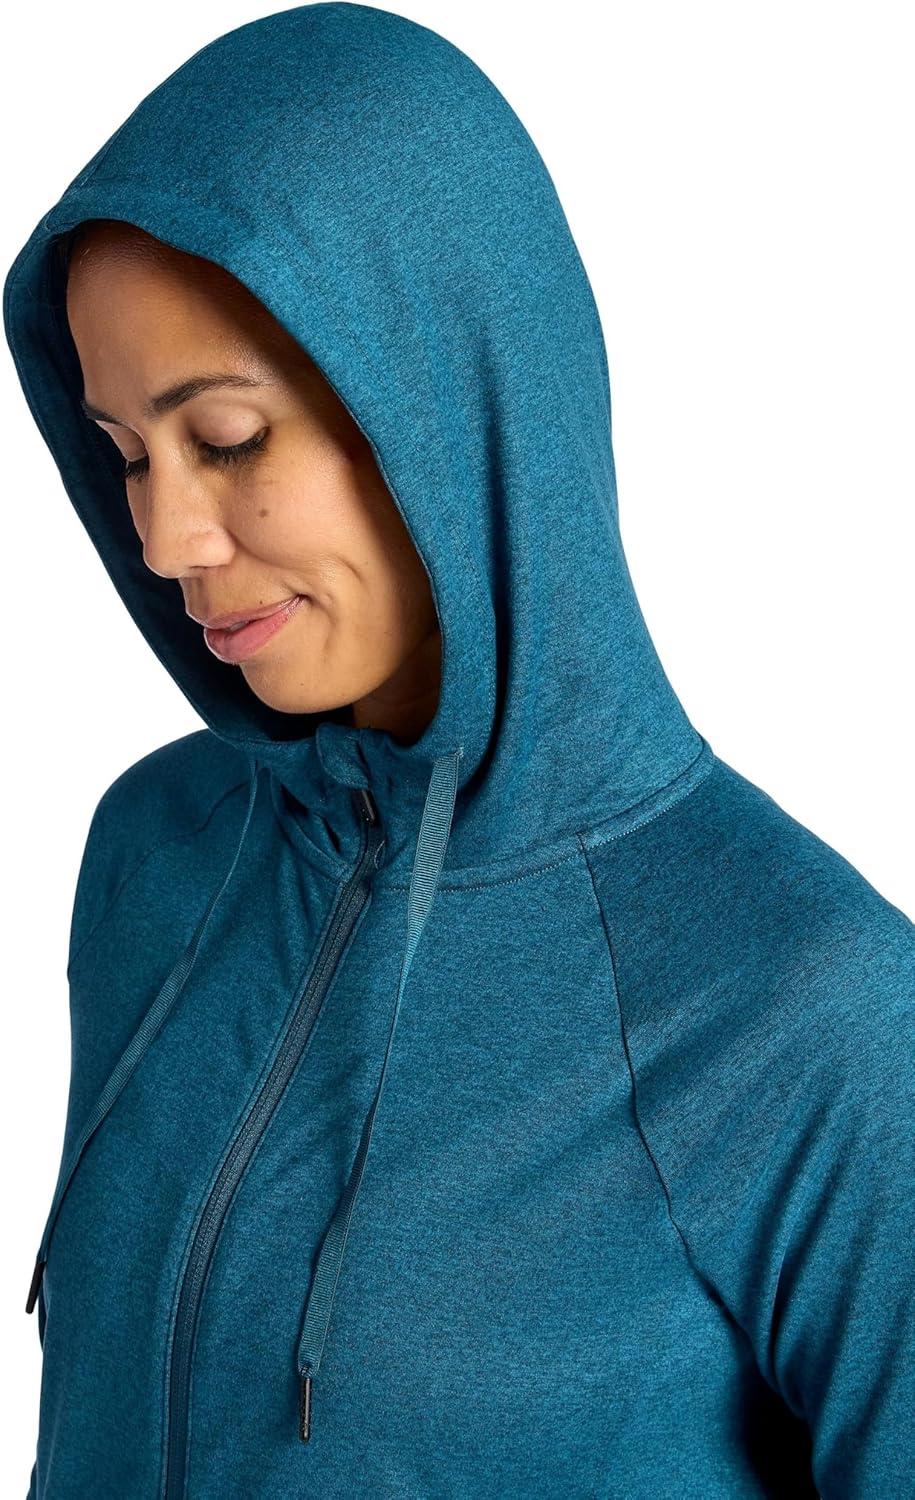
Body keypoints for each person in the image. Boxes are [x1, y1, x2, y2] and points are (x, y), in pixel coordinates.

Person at [4, 5, 913, 1498]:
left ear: (443, 397)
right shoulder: (156, 852)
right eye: (124, 455)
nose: (163, 539)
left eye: (225, 438)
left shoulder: (814, 1014)